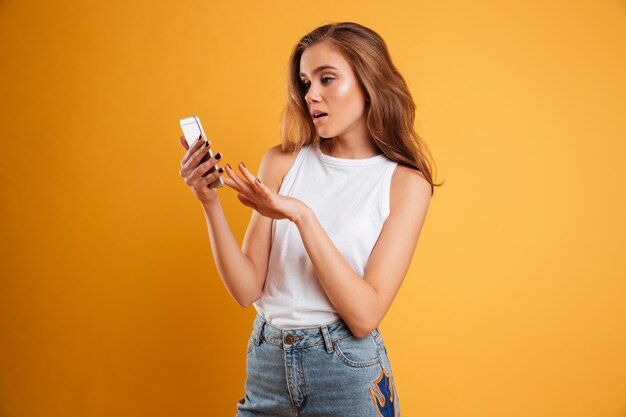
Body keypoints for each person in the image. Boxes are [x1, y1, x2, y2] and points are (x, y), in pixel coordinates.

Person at [178, 21, 440, 417]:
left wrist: (301, 215)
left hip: (345, 370)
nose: (311, 95)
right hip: (267, 366)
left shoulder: (404, 183)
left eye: (327, 79)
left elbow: (365, 315)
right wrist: (208, 202)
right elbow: (247, 289)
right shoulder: (282, 161)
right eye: (305, 83)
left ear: (369, 83)